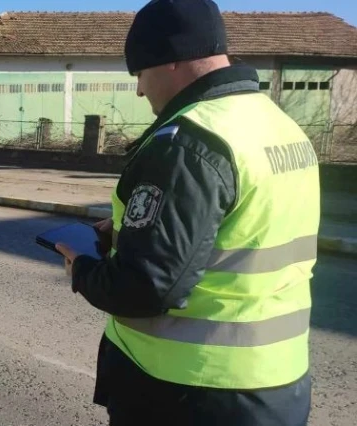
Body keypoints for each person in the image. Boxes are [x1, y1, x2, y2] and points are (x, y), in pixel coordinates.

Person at [55, 1, 320, 425]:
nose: (140, 91)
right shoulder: (277, 124)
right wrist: (125, 231)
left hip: (190, 392)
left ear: (172, 59)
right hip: (278, 383)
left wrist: (82, 268)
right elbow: (239, 228)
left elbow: (145, 287)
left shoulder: (188, 142)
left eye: (139, 73)